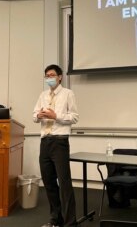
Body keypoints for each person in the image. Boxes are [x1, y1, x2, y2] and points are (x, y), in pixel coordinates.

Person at [33, 64, 79, 227]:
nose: (49, 78)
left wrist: (56, 116)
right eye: (46, 76)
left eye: (52, 75)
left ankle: (69, 222)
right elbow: (33, 115)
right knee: (49, 182)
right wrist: (38, 115)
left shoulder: (68, 94)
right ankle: (55, 219)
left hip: (60, 141)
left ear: (60, 77)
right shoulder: (43, 95)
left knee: (64, 183)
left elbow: (74, 117)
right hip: (45, 141)